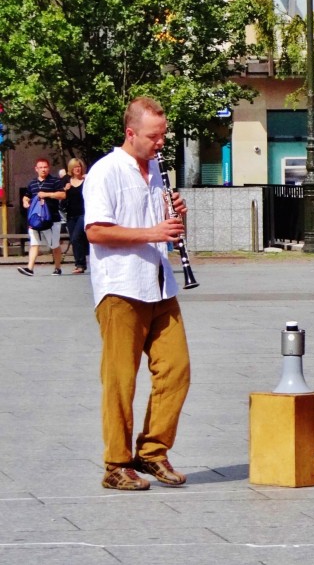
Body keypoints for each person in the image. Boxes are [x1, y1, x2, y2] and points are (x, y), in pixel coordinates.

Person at [84, 97, 191, 491]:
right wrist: (152, 233)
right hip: (121, 288)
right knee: (120, 379)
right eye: (153, 136)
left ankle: (152, 452)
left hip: (160, 283)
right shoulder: (106, 172)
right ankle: (116, 464)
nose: (160, 142)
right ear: (131, 133)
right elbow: (95, 231)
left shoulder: (157, 171)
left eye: (163, 135)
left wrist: (178, 215)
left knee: (176, 369)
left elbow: (164, 226)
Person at [18, 157, 66, 276]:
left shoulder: (55, 181)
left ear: (48, 168)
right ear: (36, 169)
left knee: (54, 245)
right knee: (34, 243)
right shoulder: (32, 183)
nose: (43, 169)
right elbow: (26, 195)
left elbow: (62, 195)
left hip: (52, 219)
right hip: (36, 219)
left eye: (45, 167)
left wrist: (47, 194)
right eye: (40, 167)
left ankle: (57, 268)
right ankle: (30, 268)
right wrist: (25, 202)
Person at [62, 158, 89, 274]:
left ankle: (80, 264)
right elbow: (60, 196)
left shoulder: (87, 180)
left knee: (76, 237)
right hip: (70, 214)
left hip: (84, 213)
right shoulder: (66, 180)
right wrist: (65, 189)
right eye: (74, 167)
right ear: (71, 169)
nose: (77, 169)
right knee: (75, 239)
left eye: (79, 166)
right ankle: (79, 263)